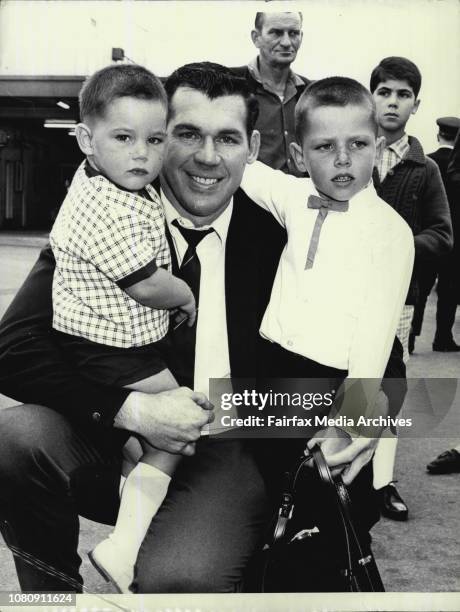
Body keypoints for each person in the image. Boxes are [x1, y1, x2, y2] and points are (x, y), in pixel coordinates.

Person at [0, 63, 396, 594]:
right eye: (187, 134)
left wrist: (366, 416)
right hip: (112, 432)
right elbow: (13, 349)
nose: (207, 158)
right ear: (161, 139)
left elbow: (380, 349)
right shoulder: (109, 219)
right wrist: (131, 409)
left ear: (252, 146)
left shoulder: (284, 235)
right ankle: (49, 600)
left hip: (231, 440)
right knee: (15, 437)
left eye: (227, 138)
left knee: (181, 580)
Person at [48, 63, 206, 592]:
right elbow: (143, 282)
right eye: (124, 137)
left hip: (112, 343)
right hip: (111, 349)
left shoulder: (106, 181)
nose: (142, 153)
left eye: (155, 139)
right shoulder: (105, 204)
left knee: (150, 444)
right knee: (182, 424)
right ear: (85, 140)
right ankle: (123, 544)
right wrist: (186, 295)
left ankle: (133, 497)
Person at [240, 77, 413, 479]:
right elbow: (248, 171)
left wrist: (347, 421)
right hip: (271, 367)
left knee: (325, 480)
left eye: (357, 144)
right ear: (300, 156)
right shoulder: (295, 196)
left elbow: (375, 341)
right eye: (325, 146)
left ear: (379, 148)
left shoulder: (392, 232)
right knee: (273, 474)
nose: (342, 159)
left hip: (329, 380)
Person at [369, 57, 452, 521]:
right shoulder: (353, 151)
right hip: (342, 295)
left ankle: (383, 480)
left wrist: (395, 245)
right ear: (371, 96)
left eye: (403, 95)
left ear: (416, 105)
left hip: (399, 299)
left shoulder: (425, 170)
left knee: (387, 387)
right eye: (385, 92)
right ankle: (337, 473)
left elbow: (442, 234)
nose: (393, 102)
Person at [232, 11, 310, 175]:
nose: (286, 42)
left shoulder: (310, 92)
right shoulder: (232, 85)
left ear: (301, 37)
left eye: (294, 33)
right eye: (276, 32)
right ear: (256, 37)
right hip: (249, 197)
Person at [410, 116, 460, 353]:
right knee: (449, 290)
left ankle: (409, 337)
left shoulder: (425, 163)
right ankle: (442, 338)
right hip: (454, 240)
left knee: (421, 288)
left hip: (428, 236)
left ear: (439, 134)